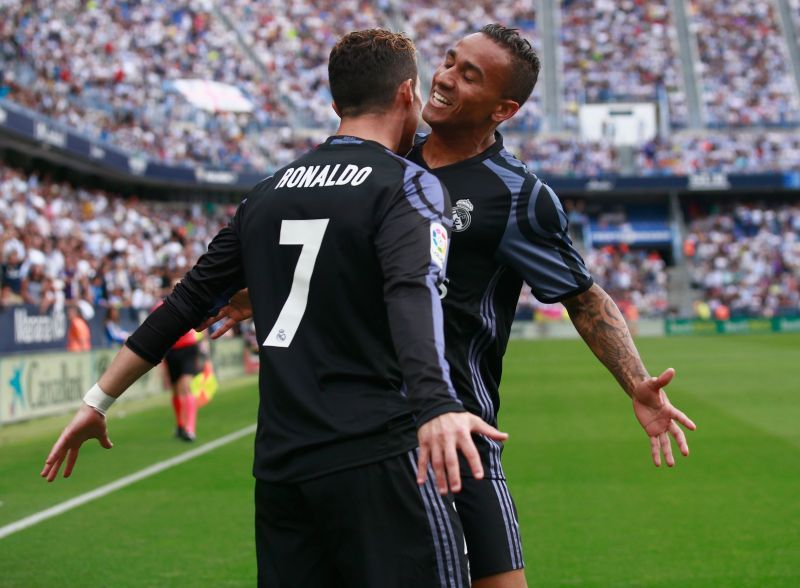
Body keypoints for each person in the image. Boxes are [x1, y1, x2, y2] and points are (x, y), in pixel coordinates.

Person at [204, 24, 697, 588]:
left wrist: (635, 380)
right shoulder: (382, 158)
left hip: (463, 433)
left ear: (503, 109)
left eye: (470, 75)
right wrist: (261, 291)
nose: (443, 78)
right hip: (369, 438)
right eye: (448, 61)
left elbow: (583, 298)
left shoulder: (517, 197)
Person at [42, 29, 505, 588]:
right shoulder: (408, 184)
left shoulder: (266, 193)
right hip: (379, 457)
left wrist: (98, 400)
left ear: (336, 104)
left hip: (283, 470)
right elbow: (413, 288)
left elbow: (185, 301)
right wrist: (436, 405)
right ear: (408, 93)